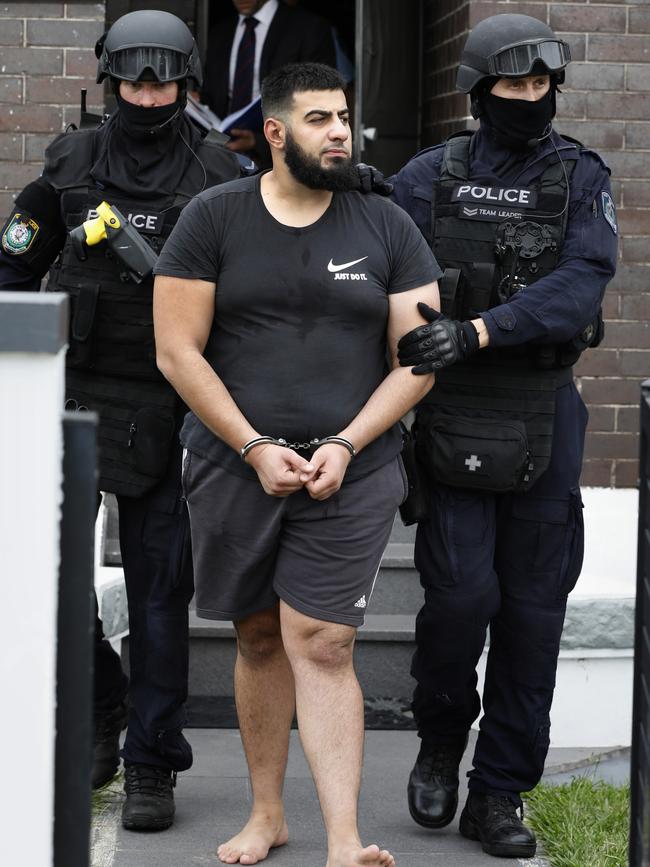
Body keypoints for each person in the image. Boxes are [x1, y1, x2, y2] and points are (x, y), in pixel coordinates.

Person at [153, 61, 441, 867]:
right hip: (230, 461)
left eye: (344, 116)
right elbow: (177, 350)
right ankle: (267, 813)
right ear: (275, 132)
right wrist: (250, 444)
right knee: (254, 636)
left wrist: (348, 442)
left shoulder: (387, 226)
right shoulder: (212, 218)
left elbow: (417, 359)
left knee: (322, 640)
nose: (340, 132)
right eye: (319, 119)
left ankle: (345, 839)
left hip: (351, 466)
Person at [0, 9, 244, 831]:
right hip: (69, 402)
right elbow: (11, 262)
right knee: (55, 581)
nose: (147, 95)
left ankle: (151, 761)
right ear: (111, 80)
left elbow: (240, 300)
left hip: (170, 406)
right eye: (134, 80)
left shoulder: (215, 175)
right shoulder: (69, 164)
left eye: (161, 80)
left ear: (185, 83)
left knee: (160, 593)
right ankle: (104, 706)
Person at [390, 13, 618, 860]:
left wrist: (481, 330)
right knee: (459, 604)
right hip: (452, 415)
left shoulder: (580, 175)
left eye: (542, 83)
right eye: (514, 85)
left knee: (532, 616)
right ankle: (442, 735)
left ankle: (500, 792)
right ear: (481, 90)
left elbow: (581, 285)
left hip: (541, 407)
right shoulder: (427, 176)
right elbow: (386, 261)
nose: (531, 98)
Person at [202, 0, 336, 163]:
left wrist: (259, 142)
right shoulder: (219, 33)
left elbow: (319, 102)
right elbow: (211, 95)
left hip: (284, 159)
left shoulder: (308, 28)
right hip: (222, 156)